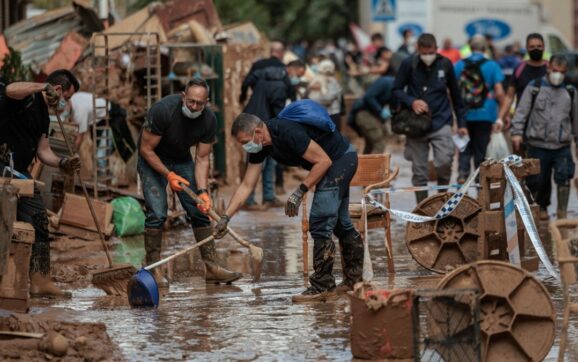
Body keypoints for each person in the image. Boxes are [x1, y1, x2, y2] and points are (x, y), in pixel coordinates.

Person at [214, 105, 364, 303]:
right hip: (332, 162)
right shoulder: (260, 147)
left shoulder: (286, 131)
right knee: (340, 223)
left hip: (340, 160)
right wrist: (226, 217)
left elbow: (323, 162)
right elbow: (246, 185)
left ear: (257, 132)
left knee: (320, 220)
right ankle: (354, 281)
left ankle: (322, 285)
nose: (244, 147)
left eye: (244, 142)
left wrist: (299, 192)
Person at [138, 78, 242, 286]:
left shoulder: (209, 120)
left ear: (207, 102)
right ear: (183, 96)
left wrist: (202, 191)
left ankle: (211, 268)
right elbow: (146, 149)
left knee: (200, 210)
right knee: (158, 213)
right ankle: (153, 270)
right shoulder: (163, 110)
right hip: (153, 159)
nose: (194, 107)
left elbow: (202, 158)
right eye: (191, 101)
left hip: (181, 158)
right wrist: (168, 175)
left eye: (199, 104)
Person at [0, 69, 81, 298]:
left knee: (39, 221)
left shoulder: (45, 116)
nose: (67, 103)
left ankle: (40, 280)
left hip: (19, 172)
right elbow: (9, 89)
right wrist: (40, 87)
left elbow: (43, 151)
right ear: (57, 90)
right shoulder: (26, 97)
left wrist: (63, 162)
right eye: (68, 97)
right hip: (3, 166)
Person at [392, 33, 468, 203]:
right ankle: (423, 208)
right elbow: (396, 89)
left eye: (431, 52)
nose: (428, 56)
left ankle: (442, 201)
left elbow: (456, 97)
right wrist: (411, 102)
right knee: (419, 171)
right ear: (418, 50)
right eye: (424, 53)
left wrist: (462, 123)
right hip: (416, 124)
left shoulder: (445, 65)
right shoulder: (408, 64)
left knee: (444, 162)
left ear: (436, 49)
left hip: (441, 121)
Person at [510, 55, 578, 220]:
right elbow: (521, 112)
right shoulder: (535, 87)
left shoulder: (570, 90)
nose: (558, 74)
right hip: (537, 144)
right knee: (537, 181)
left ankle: (562, 213)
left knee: (564, 178)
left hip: (561, 146)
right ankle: (541, 209)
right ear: (548, 68)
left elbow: (576, 118)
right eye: (555, 70)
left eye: (561, 72)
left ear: (566, 72)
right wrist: (517, 133)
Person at [240, 41, 299, 209]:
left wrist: (241, 97)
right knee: (259, 160)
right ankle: (251, 199)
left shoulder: (260, 76)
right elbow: (280, 106)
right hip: (260, 124)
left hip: (251, 118)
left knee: (264, 160)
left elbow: (245, 83)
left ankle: (266, 196)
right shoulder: (280, 83)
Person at [454, 34, 505, 183]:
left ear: (470, 47)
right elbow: (500, 92)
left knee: (464, 148)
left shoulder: (459, 65)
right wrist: (503, 114)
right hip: (486, 113)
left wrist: (455, 112)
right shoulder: (492, 65)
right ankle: (480, 183)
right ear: (485, 48)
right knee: (481, 151)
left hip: (464, 114)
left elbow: (451, 91)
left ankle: (462, 176)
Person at [498, 33, 548, 128]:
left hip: (545, 124)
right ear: (527, 48)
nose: (536, 49)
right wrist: (500, 118)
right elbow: (509, 96)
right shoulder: (520, 68)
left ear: (544, 47)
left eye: (539, 46)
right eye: (532, 46)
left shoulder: (550, 69)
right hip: (522, 123)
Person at [348, 76, 395, 154]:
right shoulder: (386, 82)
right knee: (379, 144)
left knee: (371, 144)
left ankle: (363, 165)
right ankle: (374, 166)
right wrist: (380, 111)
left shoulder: (397, 87)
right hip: (364, 114)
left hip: (371, 115)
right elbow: (369, 96)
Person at [307, 59, 342, 131]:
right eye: (325, 67)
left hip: (331, 114)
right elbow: (310, 95)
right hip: (319, 114)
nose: (327, 70)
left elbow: (328, 98)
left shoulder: (332, 81)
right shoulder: (316, 78)